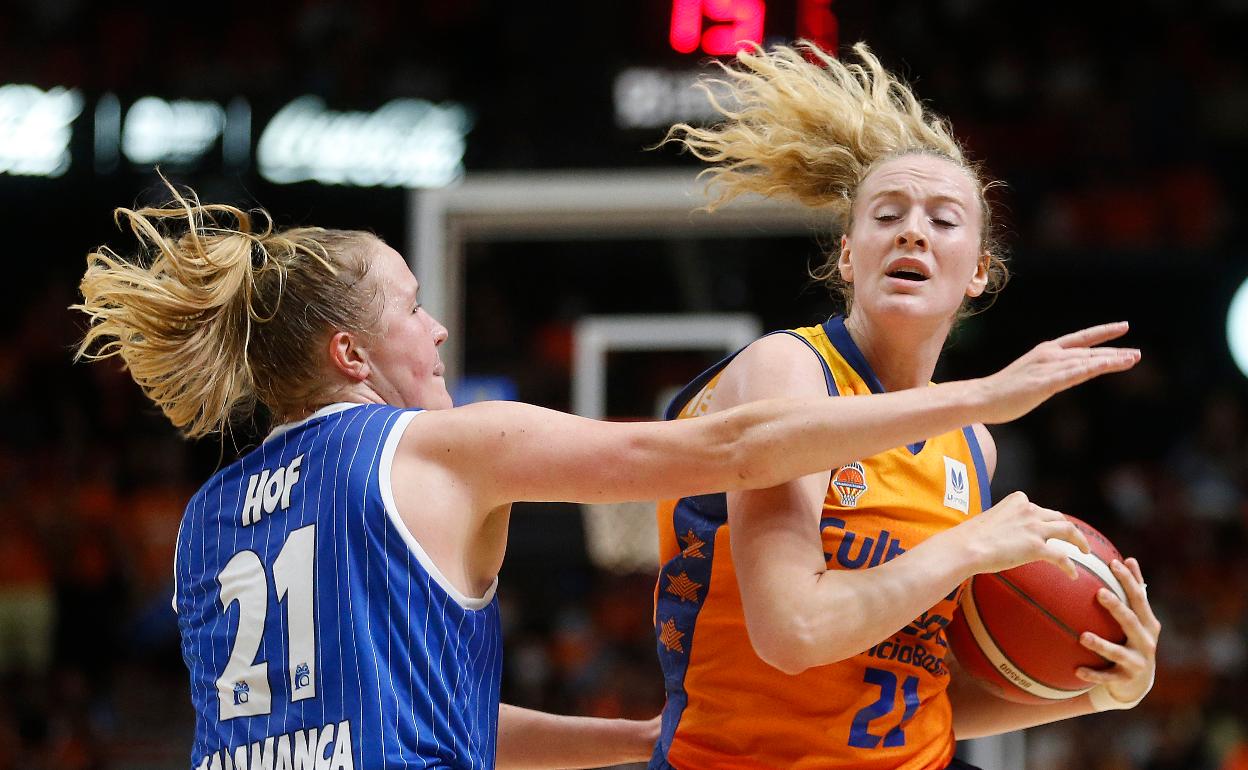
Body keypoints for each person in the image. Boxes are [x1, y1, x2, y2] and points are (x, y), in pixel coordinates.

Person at [74, 180, 1136, 770]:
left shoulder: (203, 519)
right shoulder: (439, 446)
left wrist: (641, 736)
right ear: (352, 354)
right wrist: (984, 396)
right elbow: (714, 449)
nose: (437, 324)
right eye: (410, 305)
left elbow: (425, 719)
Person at [649, 42, 1161, 770]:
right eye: (887, 214)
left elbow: (923, 690)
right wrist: (971, 545)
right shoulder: (790, 370)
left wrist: (1100, 690)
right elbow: (791, 631)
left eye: (944, 220)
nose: (914, 230)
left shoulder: (972, 445)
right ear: (849, 256)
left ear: (980, 271)